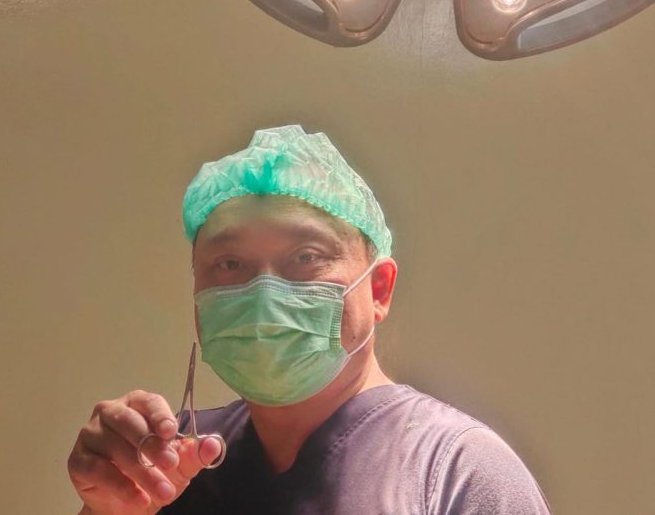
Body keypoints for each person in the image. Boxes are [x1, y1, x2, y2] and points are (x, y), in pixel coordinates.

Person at [68, 125, 552, 514]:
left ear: (378, 289)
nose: (264, 294)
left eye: (306, 257)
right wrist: (107, 511)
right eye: (230, 264)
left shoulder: (456, 472)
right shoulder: (164, 463)